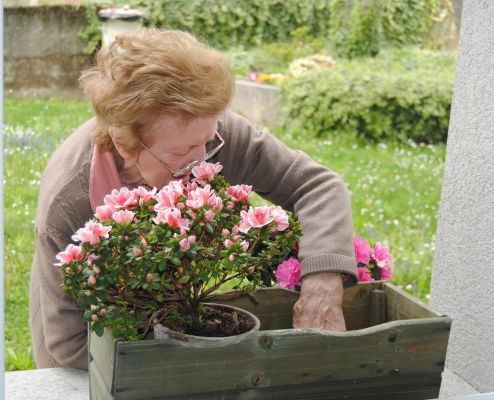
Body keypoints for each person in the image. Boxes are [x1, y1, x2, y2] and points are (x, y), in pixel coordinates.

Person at [29, 28, 358, 369]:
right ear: (126, 144)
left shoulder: (205, 130)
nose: (203, 159)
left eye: (207, 141)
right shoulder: (68, 199)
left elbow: (316, 186)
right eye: (182, 151)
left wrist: (322, 284)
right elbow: (69, 343)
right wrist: (186, 367)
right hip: (89, 365)